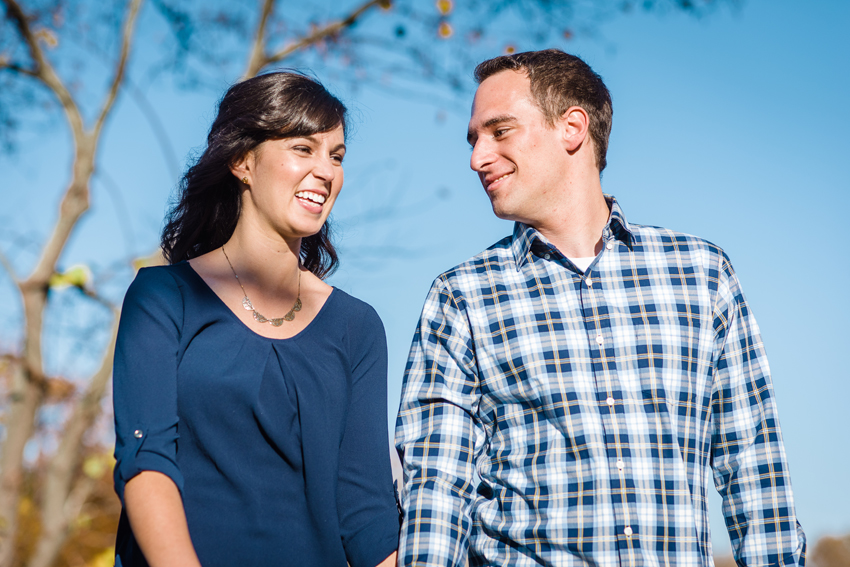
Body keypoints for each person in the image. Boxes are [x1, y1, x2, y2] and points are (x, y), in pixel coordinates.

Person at [395, 49, 805, 566]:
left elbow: (754, 467)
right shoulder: (462, 296)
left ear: (572, 128)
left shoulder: (702, 275)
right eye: (475, 139)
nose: (477, 157)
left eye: (499, 132)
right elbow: (436, 492)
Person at [112, 71, 399, 567]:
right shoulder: (163, 297)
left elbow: (367, 509)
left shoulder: (357, 326)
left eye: (336, 156)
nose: (326, 171)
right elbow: (146, 463)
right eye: (303, 149)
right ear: (242, 161)